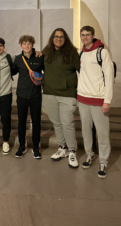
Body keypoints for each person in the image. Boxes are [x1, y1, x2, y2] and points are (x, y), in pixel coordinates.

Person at [78, 26, 114, 179]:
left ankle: (104, 161)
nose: (85, 37)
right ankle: (89, 155)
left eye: (87, 35)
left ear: (93, 36)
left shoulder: (102, 52)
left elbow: (109, 77)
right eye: (82, 35)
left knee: (103, 132)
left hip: (98, 100)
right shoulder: (82, 53)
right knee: (86, 131)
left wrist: (107, 101)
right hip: (82, 98)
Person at [42, 28, 80, 168]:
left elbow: (84, 70)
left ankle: (72, 150)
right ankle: (62, 148)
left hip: (67, 94)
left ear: (66, 38)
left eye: (61, 37)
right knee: (57, 123)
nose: (58, 39)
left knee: (67, 123)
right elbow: (37, 63)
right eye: (56, 36)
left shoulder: (72, 53)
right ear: (52, 38)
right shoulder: (46, 51)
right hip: (49, 93)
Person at [13, 35, 44, 159]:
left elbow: (46, 72)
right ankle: (22, 146)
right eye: (24, 44)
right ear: (21, 45)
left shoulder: (39, 57)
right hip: (21, 94)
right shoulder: (18, 59)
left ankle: (36, 147)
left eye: (29, 43)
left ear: (33, 45)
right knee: (21, 122)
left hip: (35, 95)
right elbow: (12, 71)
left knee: (36, 122)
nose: (27, 46)